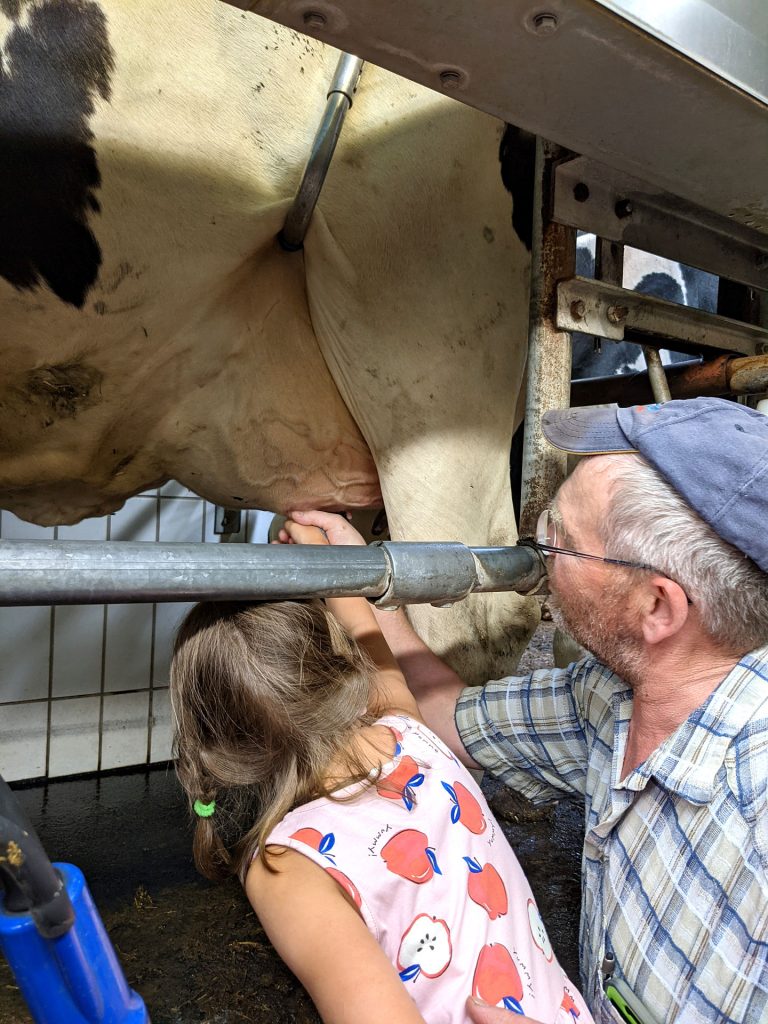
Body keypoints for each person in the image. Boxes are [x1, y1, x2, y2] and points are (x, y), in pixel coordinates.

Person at [343, 397, 767, 1024]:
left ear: (657, 608)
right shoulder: (616, 695)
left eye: (559, 541)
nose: (538, 558)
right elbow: (453, 718)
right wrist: (367, 593)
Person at [169, 513, 594, 1024]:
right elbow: (364, 624)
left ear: (216, 741)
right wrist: (325, 552)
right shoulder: (410, 736)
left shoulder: (285, 866)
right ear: (340, 667)